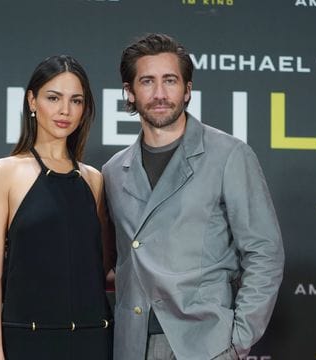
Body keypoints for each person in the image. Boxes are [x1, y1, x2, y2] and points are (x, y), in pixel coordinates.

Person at [102, 33, 284, 360]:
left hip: (204, 344)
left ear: (187, 89)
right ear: (129, 92)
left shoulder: (229, 155)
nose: (160, 93)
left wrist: (236, 343)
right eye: (147, 81)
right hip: (130, 343)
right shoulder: (114, 170)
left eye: (170, 80)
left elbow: (265, 254)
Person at [0, 55, 112, 360]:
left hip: (92, 338)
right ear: (32, 101)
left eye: (76, 101)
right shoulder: (4, 173)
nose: (65, 110)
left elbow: (99, 266)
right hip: (27, 338)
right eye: (54, 98)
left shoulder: (94, 180)